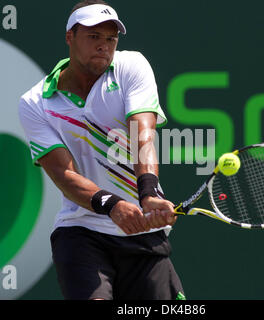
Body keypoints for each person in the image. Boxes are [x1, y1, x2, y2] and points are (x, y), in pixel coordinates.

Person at [18, 0, 185, 300]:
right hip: (81, 232)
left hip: (143, 235)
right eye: (93, 37)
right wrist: (113, 206)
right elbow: (63, 174)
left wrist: (147, 193)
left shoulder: (131, 66)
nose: (104, 46)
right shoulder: (35, 103)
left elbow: (142, 135)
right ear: (70, 37)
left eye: (111, 38)